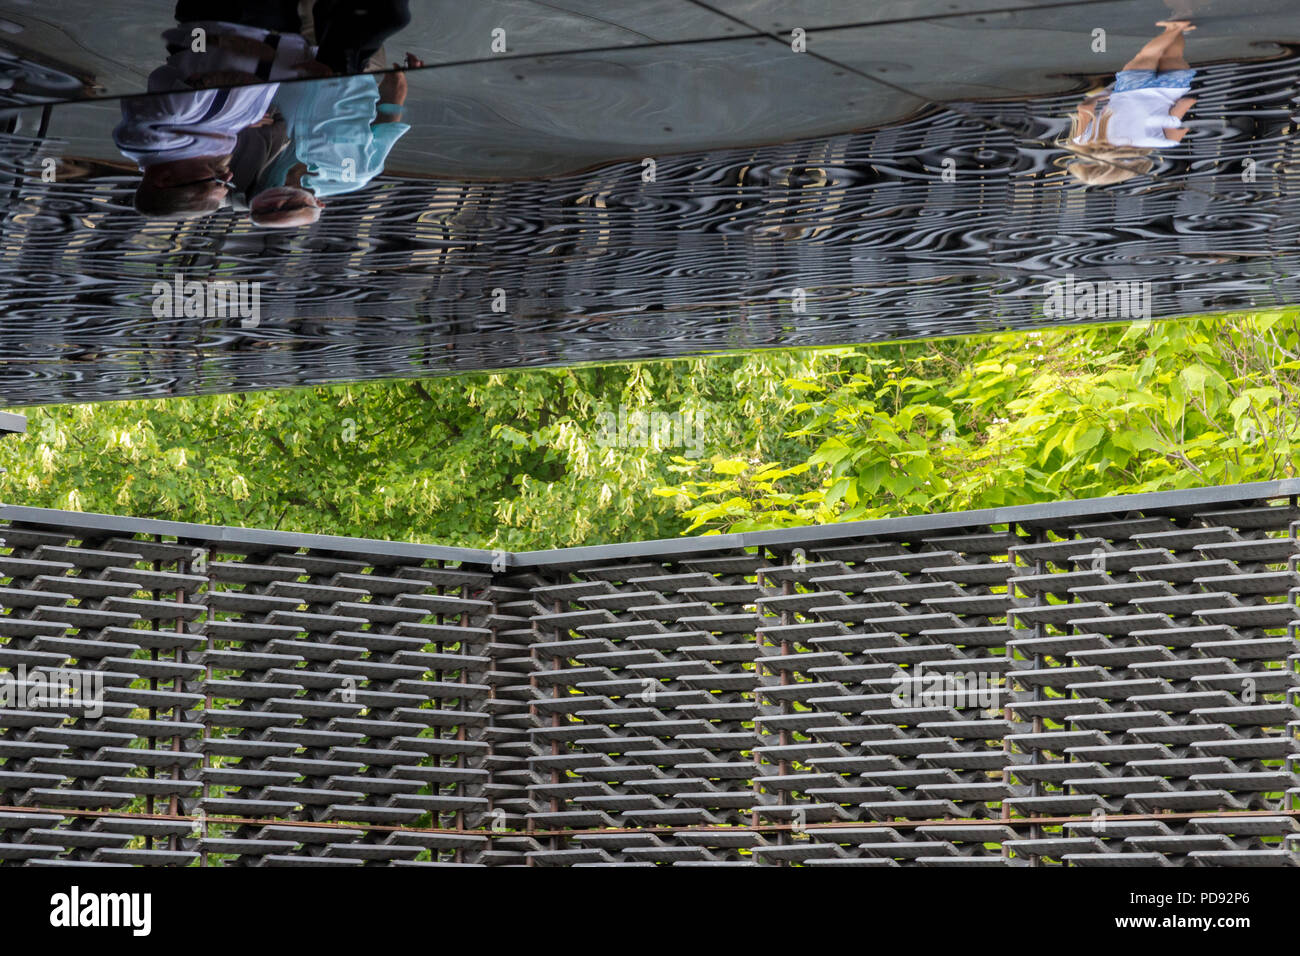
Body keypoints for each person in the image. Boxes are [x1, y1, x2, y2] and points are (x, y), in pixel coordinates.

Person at [114, 3, 326, 219]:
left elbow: (214, 78)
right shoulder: (205, 134)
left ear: (164, 179)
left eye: (215, 181)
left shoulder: (168, 124)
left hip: (239, 17)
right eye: (227, 182)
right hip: (278, 31)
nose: (229, 174)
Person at [249, 54, 420, 228]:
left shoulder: (252, 176)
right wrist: (397, 76)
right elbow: (388, 117)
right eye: (292, 207)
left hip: (285, 61)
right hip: (352, 65)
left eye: (266, 211)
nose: (278, 203)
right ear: (319, 203)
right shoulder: (357, 174)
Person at [1063, 20, 1198, 186]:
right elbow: (1084, 108)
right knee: (1147, 56)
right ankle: (1173, 28)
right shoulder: (1082, 141)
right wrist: (1096, 97)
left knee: (1173, 56)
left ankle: (1180, 29)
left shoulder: (1163, 142)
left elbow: (1186, 103)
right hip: (1130, 87)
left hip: (1170, 89)